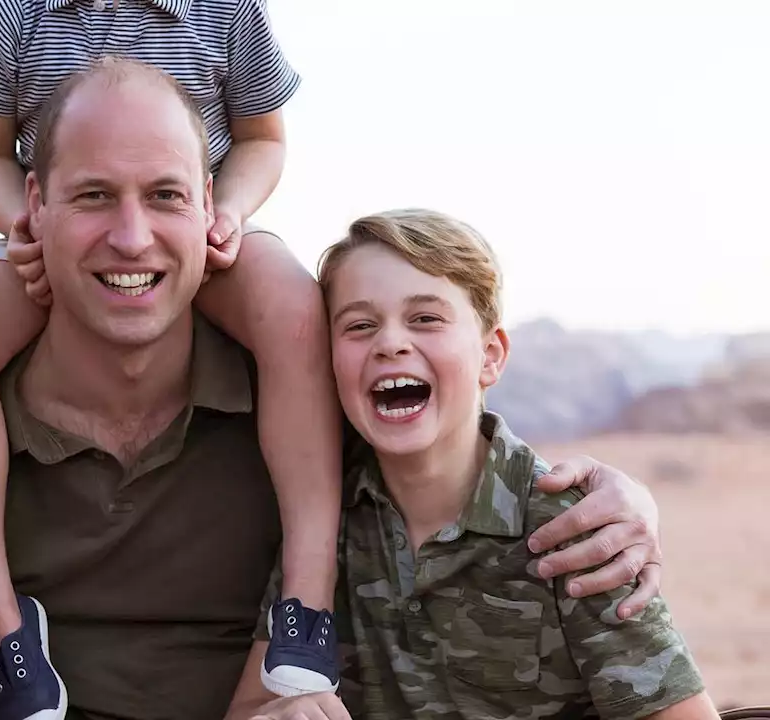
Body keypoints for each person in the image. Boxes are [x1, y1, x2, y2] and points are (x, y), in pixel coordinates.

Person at [0, 57, 668, 720]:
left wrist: (613, 497)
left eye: (165, 196)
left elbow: (445, 456)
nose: (131, 237)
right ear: (34, 208)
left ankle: (307, 622)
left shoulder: (303, 397)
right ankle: (10, 644)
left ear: (207, 203)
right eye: (94, 195)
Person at [0, 0, 345, 710]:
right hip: (51, 236)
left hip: (205, 229)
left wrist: (226, 210)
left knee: (295, 312)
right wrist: (24, 227)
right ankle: (5, 636)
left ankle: (307, 600)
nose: (131, 234)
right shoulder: (11, 15)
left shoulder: (226, 10)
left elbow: (262, 139)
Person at [228, 210, 714, 720]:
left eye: (426, 319)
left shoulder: (569, 526)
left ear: (490, 356)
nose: (390, 342)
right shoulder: (325, 518)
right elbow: (250, 707)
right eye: (360, 325)